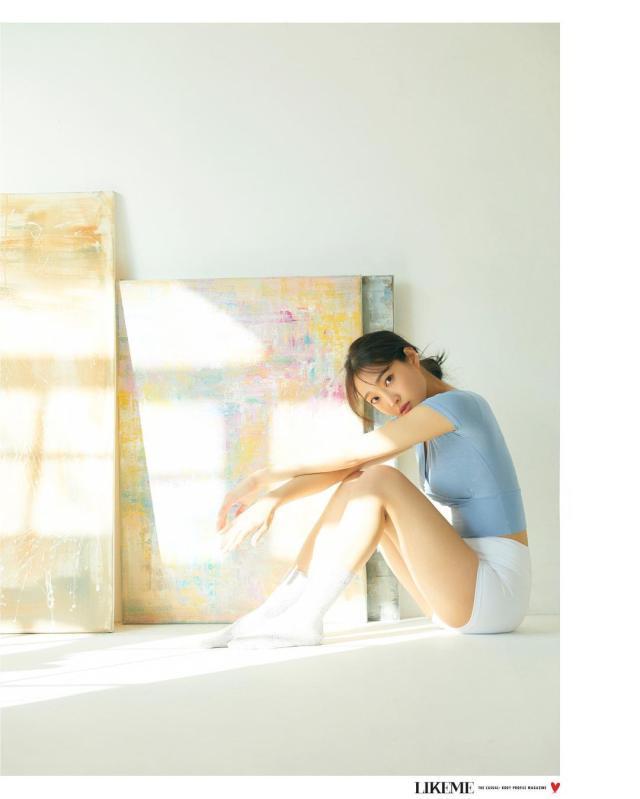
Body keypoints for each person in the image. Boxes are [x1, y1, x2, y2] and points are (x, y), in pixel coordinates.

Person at [202, 330, 531, 650]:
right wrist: (274, 499)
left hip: (495, 592)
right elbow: (344, 469)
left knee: (380, 478)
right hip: (455, 592)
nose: (390, 401)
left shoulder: (461, 405)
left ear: (411, 357)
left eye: (388, 380)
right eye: (375, 399)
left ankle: (306, 618)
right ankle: (271, 612)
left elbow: (353, 453)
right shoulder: (423, 424)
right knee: (358, 481)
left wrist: (262, 478)